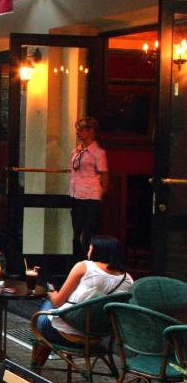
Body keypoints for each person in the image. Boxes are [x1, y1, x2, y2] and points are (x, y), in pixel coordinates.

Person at [32, 235, 132, 367]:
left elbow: (57, 302)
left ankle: (35, 372)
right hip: (96, 337)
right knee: (54, 318)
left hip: (65, 334)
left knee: (48, 306)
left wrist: (50, 290)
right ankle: (36, 370)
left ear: (97, 251)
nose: (87, 252)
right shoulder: (128, 280)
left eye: (90, 248)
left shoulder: (84, 267)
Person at [69, 117, 108, 259]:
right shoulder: (76, 151)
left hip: (91, 197)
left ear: (91, 131)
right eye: (77, 129)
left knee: (87, 236)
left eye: (82, 129)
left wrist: (99, 195)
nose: (78, 132)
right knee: (76, 235)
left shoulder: (98, 153)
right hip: (76, 195)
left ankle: (88, 264)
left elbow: (104, 177)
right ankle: (76, 265)